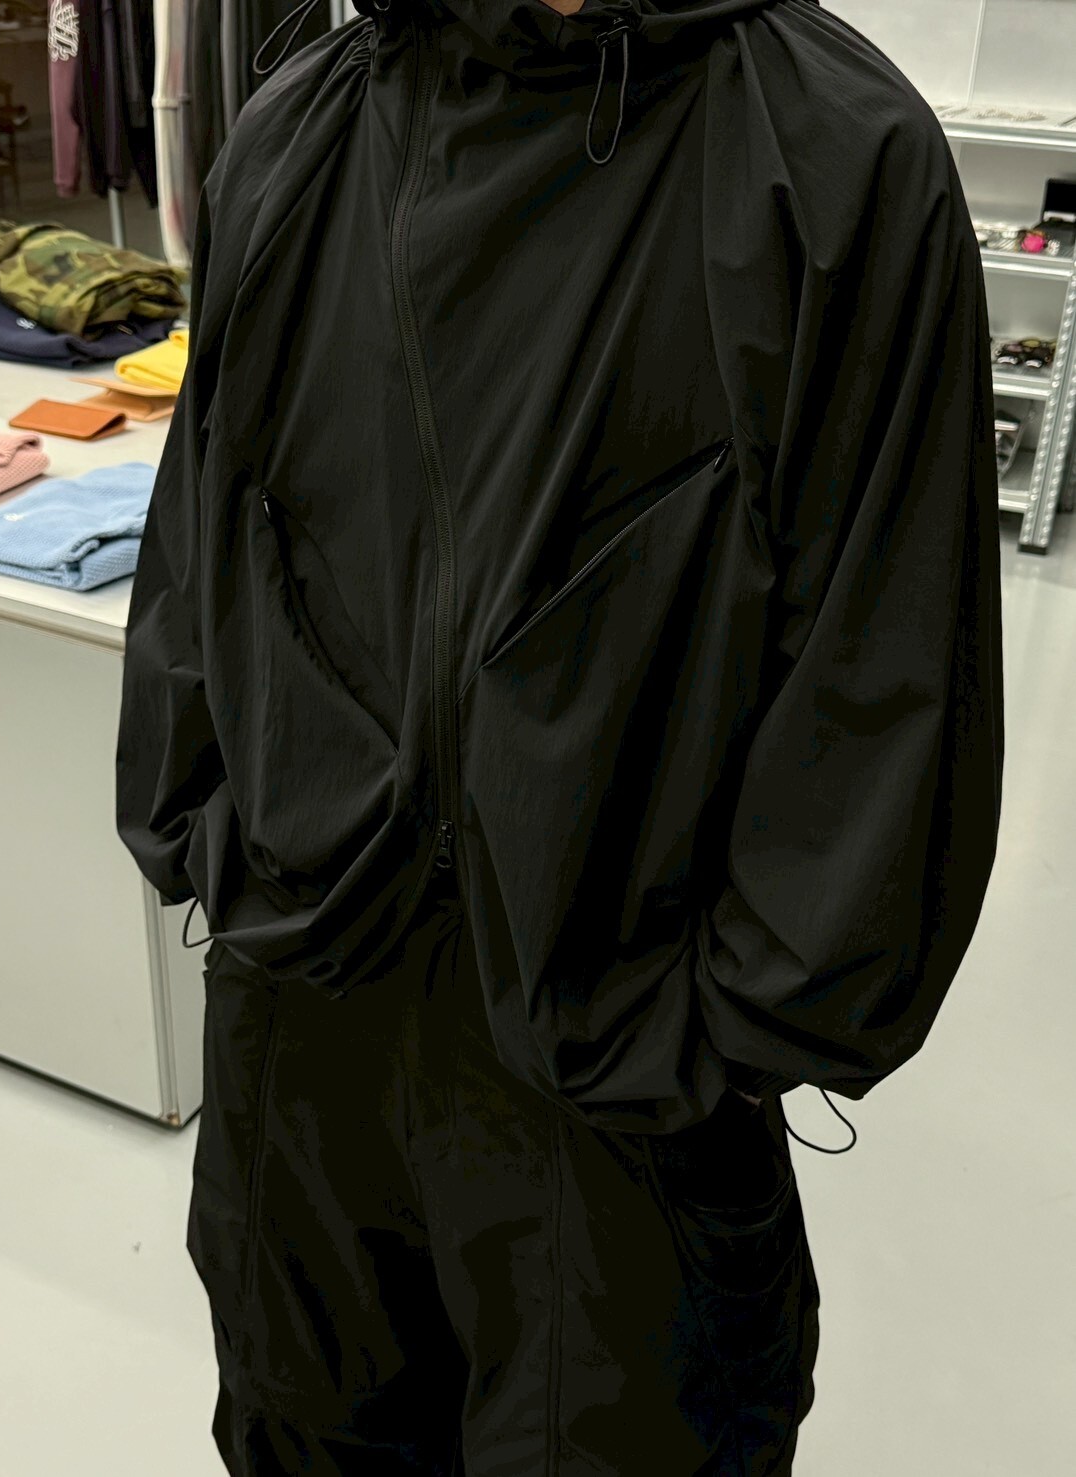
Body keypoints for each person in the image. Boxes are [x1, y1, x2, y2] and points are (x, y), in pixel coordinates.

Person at [115, 0, 1004, 1471]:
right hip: (301, 1028)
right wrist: (214, 840)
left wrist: (725, 1025)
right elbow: (204, 538)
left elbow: (889, 663)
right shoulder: (298, 128)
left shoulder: (834, 155)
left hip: (618, 1079)